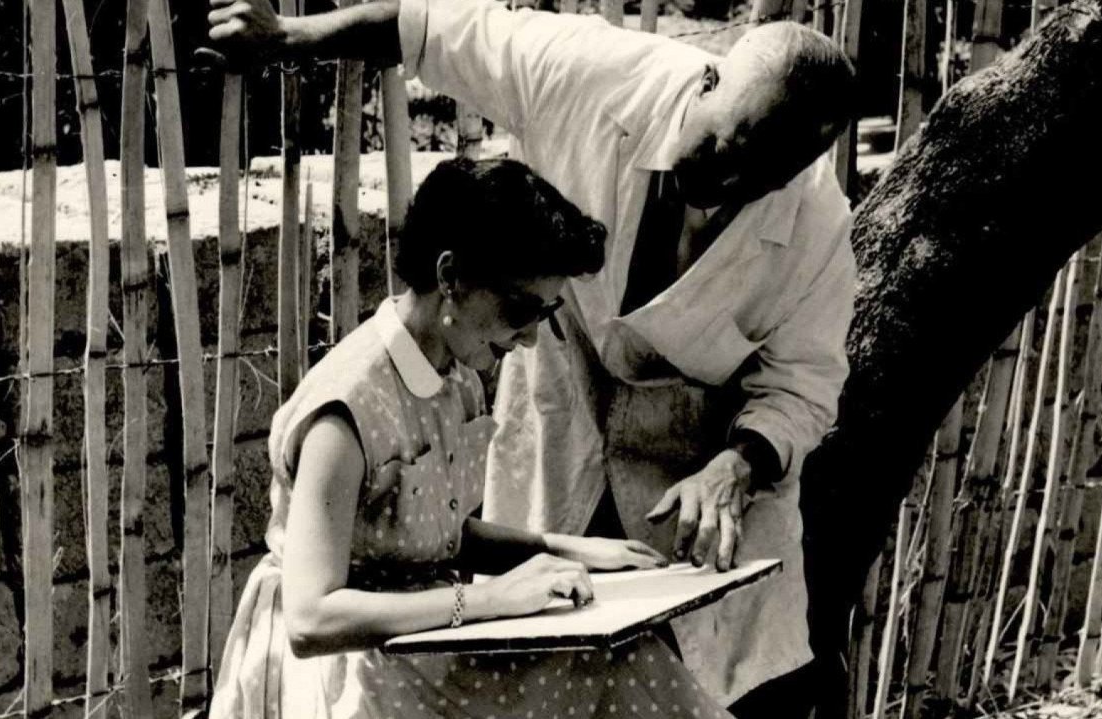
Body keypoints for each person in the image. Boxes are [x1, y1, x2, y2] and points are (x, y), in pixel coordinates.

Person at [208, 2, 856, 715]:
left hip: (686, 472)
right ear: (705, 85)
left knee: (680, 678)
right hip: (378, 650)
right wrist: (290, 38)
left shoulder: (816, 228)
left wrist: (731, 468)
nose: (724, 187)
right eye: (721, 152)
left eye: (757, 181)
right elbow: (434, 27)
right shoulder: (593, 75)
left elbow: (805, 382)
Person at [209, 157, 733, 718]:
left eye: (545, 315)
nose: (530, 340)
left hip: (424, 645)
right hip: (344, 672)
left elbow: (427, 530)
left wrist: (567, 548)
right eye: (519, 311)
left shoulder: (456, 377)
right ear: (450, 276)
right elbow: (311, 618)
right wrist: (489, 599)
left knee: (627, 661)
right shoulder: (345, 410)